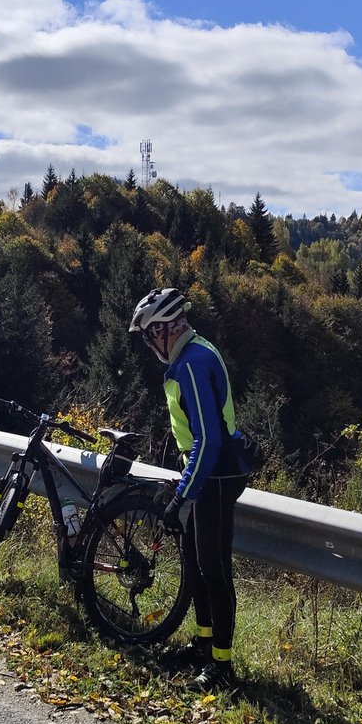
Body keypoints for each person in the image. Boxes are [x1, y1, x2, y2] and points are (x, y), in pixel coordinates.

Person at [130, 286, 255, 692]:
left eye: (150, 335)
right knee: (194, 562)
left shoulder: (192, 364)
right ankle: (203, 644)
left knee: (214, 570)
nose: (149, 344)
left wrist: (183, 494)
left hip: (215, 476)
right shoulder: (190, 354)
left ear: (165, 329)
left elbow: (209, 439)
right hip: (203, 471)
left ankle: (222, 665)